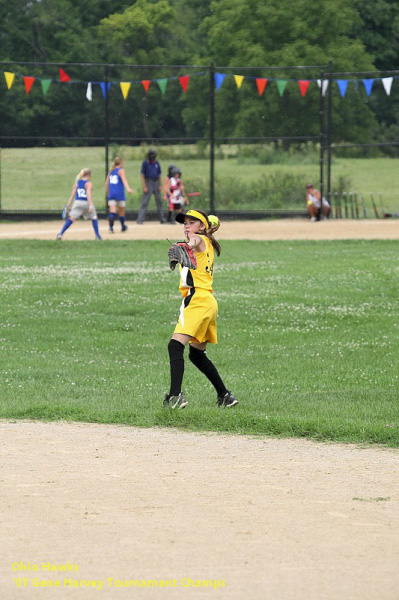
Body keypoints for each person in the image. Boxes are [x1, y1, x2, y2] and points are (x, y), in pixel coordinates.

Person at [164, 208, 238, 410]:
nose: (186, 225)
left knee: (175, 345)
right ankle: (225, 396)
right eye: (185, 222)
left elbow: (194, 242)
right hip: (209, 302)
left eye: (191, 222)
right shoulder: (208, 241)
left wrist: (187, 245)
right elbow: (197, 240)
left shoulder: (199, 240)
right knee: (196, 355)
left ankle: (175, 396)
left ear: (201, 227)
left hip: (196, 299)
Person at [57, 168, 101, 240]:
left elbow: (72, 195)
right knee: (94, 217)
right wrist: (90, 205)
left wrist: (68, 206)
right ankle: (97, 236)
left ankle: (60, 234)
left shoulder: (77, 183)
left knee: (71, 219)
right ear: (88, 175)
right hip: (86, 202)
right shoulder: (88, 183)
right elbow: (88, 194)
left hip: (77, 203)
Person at [137, 149, 166, 224]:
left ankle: (162, 219)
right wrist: (144, 186)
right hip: (148, 182)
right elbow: (142, 175)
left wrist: (160, 185)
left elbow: (159, 174)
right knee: (145, 202)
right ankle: (140, 219)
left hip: (156, 182)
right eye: (151, 155)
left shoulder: (156, 163)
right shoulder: (145, 163)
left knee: (159, 201)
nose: (153, 157)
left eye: (154, 155)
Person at [106, 156, 134, 233]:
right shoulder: (121, 170)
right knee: (121, 211)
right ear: (120, 163)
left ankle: (111, 228)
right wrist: (128, 188)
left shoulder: (111, 171)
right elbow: (124, 180)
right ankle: (122, 226)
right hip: (119, 194)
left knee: (112, 211)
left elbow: (107, 183)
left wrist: (107, 193)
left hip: (111, 194)